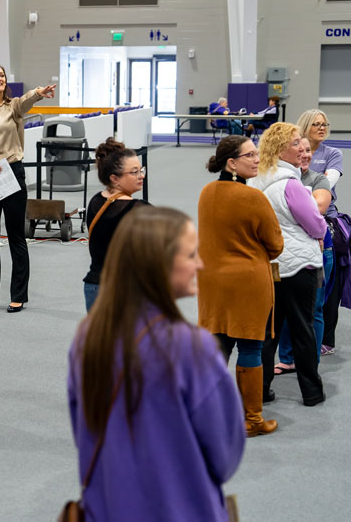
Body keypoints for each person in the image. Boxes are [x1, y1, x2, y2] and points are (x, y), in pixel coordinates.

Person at [68, 207, 245, 522]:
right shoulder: (193, 348)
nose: (200, 264)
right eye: (191, 255)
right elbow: (224, 456)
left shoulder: (87, 338)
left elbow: (83, 431)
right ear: (158, 266)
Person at [197, 135, 284, 437]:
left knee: (218, 346)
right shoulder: (254, 198)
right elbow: (276, 246)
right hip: (247, 282)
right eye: (250, 155)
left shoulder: (207, 192)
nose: (257, 158)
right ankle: (252, 419)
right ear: (231, 163)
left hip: (211, 282)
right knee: (250, 347)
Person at [0, 62, 56, 313]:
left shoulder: (13, 107)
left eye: (2, 75)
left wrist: (39, 92)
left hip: (11, 173)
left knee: (16, 236)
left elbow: (27, 101)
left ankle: (18, 295)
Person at [248, 122, 326, 406]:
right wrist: (320, 232)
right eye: (295, 143)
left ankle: (262, 388)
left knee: (268, 332)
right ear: (281, 150)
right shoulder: (290, 184)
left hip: (268, 266)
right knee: (302, 329)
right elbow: (316, 224)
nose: (301, 149)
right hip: (298, 267)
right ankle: (312, 391)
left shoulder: (255, 181)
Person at [275, 137, 333, 374]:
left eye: (309, 151)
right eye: (300, 150)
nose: (305, 155)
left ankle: (310, 364)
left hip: (320, 251)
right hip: (286, 253)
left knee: (314, 310)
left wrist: (286, 200)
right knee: (284, 309)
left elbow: (319, 210)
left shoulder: (318, 179)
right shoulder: (283, 178)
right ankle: (287, 358)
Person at [297, 109, 344, 356]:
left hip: (326, 220)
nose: (322, 128)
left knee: (329, 282)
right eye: (316, 124)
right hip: (295, 220)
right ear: (305, 127)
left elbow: (327, 183)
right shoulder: (295, 150)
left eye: (325, 124)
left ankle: (326, 337)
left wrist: (297, 190)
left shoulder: (333, 154)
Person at [82, 137, 148, 312]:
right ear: (115, 178)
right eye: (134, 172)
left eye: (141, 170)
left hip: (94, 286)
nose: (141, 176)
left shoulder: (95, 201)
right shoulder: (139, 210)